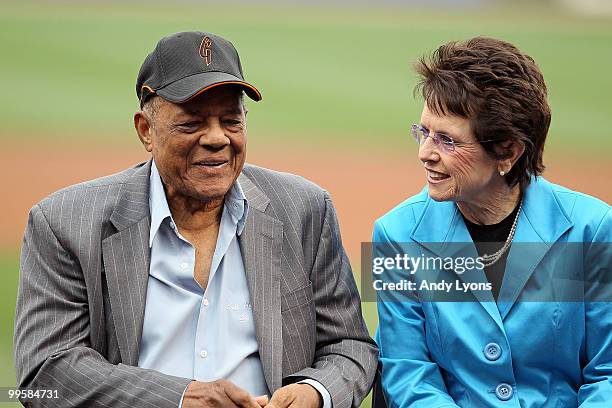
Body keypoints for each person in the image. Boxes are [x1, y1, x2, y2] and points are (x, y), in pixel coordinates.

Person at [14, 31, 377, 408]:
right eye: (192, 123)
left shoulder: (305, 209)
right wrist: (179, 399)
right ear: (146, 131)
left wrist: (315, 392)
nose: (217, 138)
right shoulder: (64, 223)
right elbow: (45, 372)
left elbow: (349, 345)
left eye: (231, 121)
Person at [373, 37, 611, 407]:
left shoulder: (591, 229)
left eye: (447, 141)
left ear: (508, 152)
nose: (424, 153)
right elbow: (409, 375)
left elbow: (607, 374)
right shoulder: (396, 235)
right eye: (423, 132)